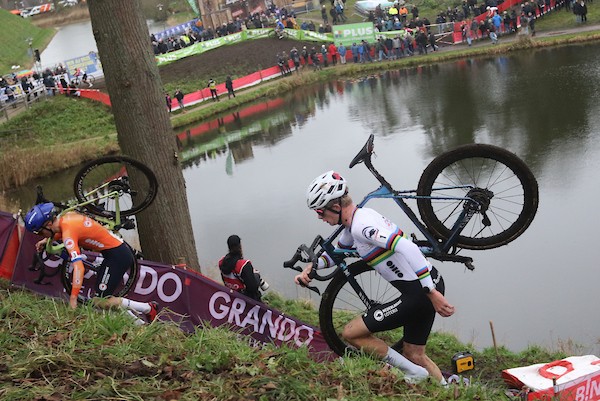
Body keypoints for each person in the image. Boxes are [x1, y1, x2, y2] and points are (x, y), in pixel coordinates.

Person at [295, 171, 455, 384]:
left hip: (421, 292)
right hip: (429, 281)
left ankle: (415, 374)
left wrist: (430, 292)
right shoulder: (357, 222)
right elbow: (334, 254)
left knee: (352, 333)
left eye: (320, 212)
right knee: (414, 354)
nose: (319, 217)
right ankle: (445, 390)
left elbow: (408, 247)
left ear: (335, 206)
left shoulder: (362, 228)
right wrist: (311, 268)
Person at [23, 203, 158, 323]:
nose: (41, 235)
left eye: (40, 232)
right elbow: (63, 233)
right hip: (115, 252)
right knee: (104, 298)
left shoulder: (68, 233)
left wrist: (73, 298)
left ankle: (148, 308)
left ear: (48, 224)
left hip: (118, 256)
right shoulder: (66, 219)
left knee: (101, 301)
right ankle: (140, 324)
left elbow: (79, 268)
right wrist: (46, 241)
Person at [219, 235, 268, 302]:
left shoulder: (222, 262)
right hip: (246, 301)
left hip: (232, 298)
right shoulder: (243, 265)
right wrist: (256, 275)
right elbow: (253, 288)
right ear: (240, 246)